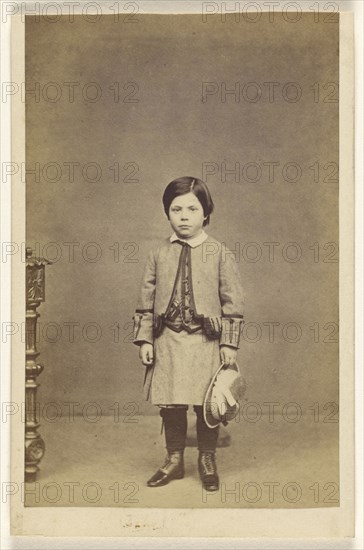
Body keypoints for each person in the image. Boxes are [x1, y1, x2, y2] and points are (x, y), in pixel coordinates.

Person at [133, 176, 244, 491]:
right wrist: (145, 339)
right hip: (167, 340)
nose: (184, 216)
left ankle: (207, 458)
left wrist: (229, 344)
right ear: (167, 213)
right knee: (170, 403)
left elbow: (232, 303)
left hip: (206, 342)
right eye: (176, 209)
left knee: (206, 404)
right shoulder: (158, 254)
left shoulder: (220, 253)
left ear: (205, 213)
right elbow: (144, 302)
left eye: (192, 209)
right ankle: (174, 460)